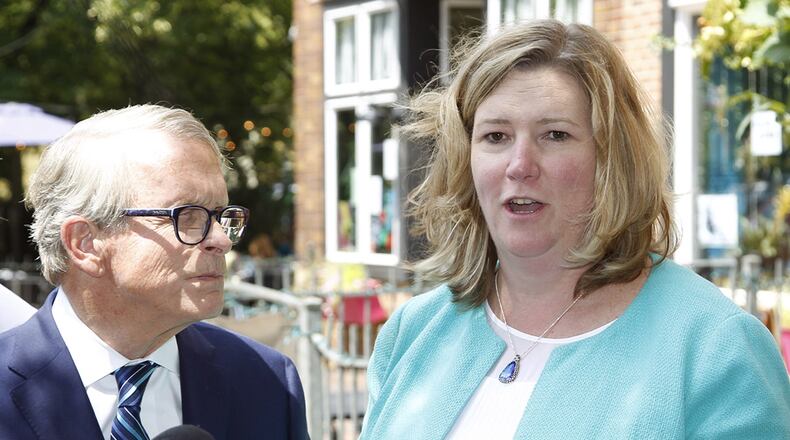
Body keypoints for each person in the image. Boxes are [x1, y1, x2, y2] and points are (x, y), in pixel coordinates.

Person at [360, 20, 790, 439]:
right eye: (496, 136)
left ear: (612, 159)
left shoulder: (715, 349)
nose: (520, 165)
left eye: (555, 135)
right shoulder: (414, 332)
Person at [0, 105, 309, 440]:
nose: (221, 240)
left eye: (221, 215)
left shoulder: (266, 381)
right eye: (186, 216)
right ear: (85, 243)